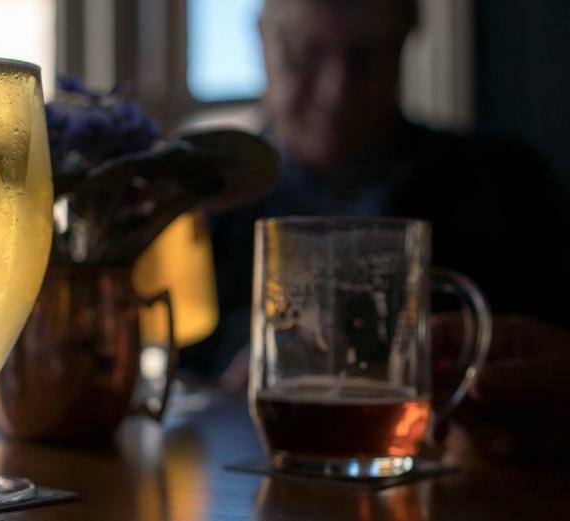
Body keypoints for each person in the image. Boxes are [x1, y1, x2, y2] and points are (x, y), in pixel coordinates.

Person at [186, 0, 570, 461]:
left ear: (405, 47)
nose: (336, 90)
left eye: (365, 57)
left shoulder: (506, 185)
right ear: (264, 44)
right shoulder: (200, 209)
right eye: (308, 52)